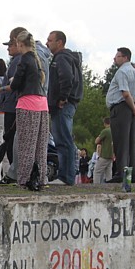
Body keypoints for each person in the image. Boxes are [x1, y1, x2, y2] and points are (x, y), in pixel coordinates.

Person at [0, 31, 48, 190]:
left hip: (27, 104)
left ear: (20, 44)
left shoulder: (23, 60)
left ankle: (24, 179)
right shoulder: (37, 59)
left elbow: (15, 85)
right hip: (42, 104)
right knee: (40, 146)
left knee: (25, 144)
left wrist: (1, 89)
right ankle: (40, 178)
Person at [46, 30, 82, 186]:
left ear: (59, 42)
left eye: (50, 40)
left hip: (62, 105)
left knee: (63, 140)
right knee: (63, 139)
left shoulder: (61, 58)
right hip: (66, 103)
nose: (47, 43)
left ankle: (66, 176)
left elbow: (66, 77)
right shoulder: (68, 58)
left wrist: (62, 97)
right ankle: (67, 175)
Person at [105, 47, 135, 183]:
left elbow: (125, 93)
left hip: (121, 108)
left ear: (125, 57)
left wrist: (133, 109)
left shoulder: (122, 72)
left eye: (117, 56)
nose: (115, 58)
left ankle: (122, 174)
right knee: (131, 141)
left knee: (121, 142)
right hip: (132, 108)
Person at [93, 117, 113, 183]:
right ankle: (109, 186)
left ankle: (96, 186)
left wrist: (99, 135)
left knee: (97, 171)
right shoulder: (114, 130)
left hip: (104, 155)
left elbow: (96, 141)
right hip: (111, 155)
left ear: (105, 123)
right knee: (108, 172)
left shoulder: (105, 131)